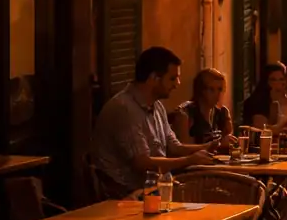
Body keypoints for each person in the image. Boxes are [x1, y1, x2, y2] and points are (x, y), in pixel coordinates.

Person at [91, 47, 214, 196]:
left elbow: (174, 148)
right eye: (172, 78)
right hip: (126, 196)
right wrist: (189, 160)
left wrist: (210, 147)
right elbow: (142, 163)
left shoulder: (157, 106)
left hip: (154, 190)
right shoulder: (124, 109)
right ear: (154, 78)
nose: (178, 84)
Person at [170, 68, 236, 147]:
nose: (217, 94)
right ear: (201, 90)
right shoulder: (185, 113)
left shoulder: (222, 113)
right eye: (212, 89)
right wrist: (219, 145)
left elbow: (229, 144)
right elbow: (184, 149)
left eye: (220, 89)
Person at [241, 62, 287, 129]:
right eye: (273, 80)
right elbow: (262, 129)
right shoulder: (257, 101)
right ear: (266, 81)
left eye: (281, 79)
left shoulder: (285, 99)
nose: (278, 84)